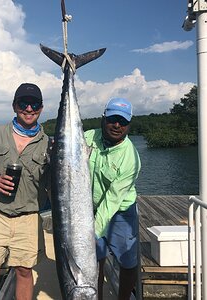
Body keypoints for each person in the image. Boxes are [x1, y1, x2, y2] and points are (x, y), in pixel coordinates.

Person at [0, 83, 51, 300]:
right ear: (15, 106)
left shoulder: (48, 145)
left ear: (41, 108)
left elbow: (53, 182)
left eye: (34, 104)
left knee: (24, 271)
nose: (29, 108)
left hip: (28, 218)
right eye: (24, 103)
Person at [84, 98, 141, 300]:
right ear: (103, 118)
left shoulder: (130, 158)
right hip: (89, 207)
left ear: (128, 125)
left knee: (127, 260)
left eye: (123, 122)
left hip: (121, 211)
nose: (117, 125)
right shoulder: (88, 138)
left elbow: (112, 201)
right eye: (113, 119)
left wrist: (90, 234)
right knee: (94, 260)